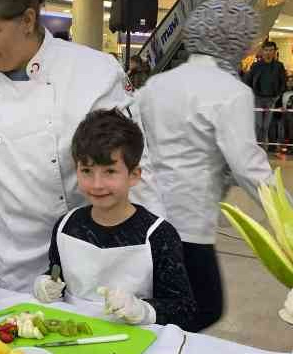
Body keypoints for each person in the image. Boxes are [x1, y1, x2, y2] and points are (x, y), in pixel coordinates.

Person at [0, 0, 165, 292]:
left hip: (88, 246)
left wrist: (156, 243)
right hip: (5, 258)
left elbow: (134, 165)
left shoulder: (93, 72)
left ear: (27, 20)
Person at [136, 0, 273, 332]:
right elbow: (248, 167)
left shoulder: (157, 84)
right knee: (205, 306)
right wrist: (285, 212)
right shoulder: (231, 92)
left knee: (161, 300)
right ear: (234, 39)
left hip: (147, 212)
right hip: (190, 221)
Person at [33, 109, 196, 330]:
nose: (97, 184)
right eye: (87, 171)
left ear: (134, 175)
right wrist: (46, 284)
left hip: (137, 340)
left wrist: (143, 310)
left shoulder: (159, 235)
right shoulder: (66, 226)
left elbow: (184, 309)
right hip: (71, 335)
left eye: (110, 171)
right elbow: (56, 274)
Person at [244, 41, 287, 147]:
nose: (268, 52)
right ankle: (257, 146)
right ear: (262, 51)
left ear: (274, 51)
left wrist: (277, 96)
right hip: (258, 98)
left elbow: (283, 82)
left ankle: (263, 147)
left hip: (272, 99)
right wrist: (252, 95)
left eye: (271, 50)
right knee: (258, 124)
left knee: (266, 125)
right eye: (266, 50)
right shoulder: (256, 65)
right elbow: (248, 81)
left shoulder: (279, 66)